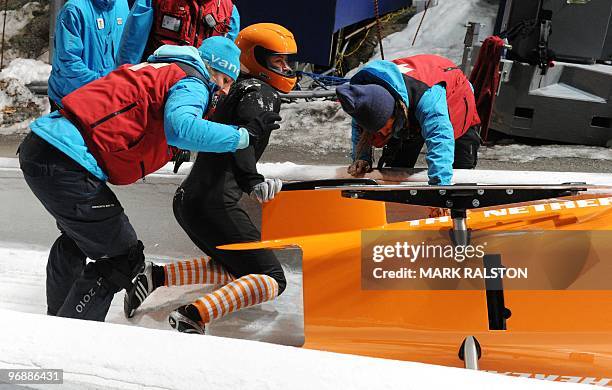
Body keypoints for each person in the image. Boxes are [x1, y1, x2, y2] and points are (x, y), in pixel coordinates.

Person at [18, 36, 281, 322]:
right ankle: (74, 335)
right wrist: (243, 136)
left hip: (45, 146)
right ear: (215, 71)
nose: (225, 91)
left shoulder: (162, 68)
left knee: (78, 238)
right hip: (66, 159)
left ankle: (55, 321)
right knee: (123, 258)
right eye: (227, 81)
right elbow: (181, 127)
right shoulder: (193, 80)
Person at [123, 23, 298, 335]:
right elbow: (244, 137)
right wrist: (251, 179)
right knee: (272, 278)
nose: (285, 68)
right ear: (256, 60)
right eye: (277, 62)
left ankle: (156, 277)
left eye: (286, 61)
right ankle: (194, 314)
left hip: (192, 200)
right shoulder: (260, 93)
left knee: (238, 268)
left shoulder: (234, 90)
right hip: (214, 205)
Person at [336, 54, 481, 185]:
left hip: (454, 98)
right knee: (396, 170)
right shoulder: (365, 98)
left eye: (383, 126)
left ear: (395, 112)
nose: (381, 132)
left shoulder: (429, 101)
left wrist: (439, 190)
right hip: (407, 108)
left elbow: (441, 138)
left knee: (461, 175)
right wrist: (362, 158)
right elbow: (360, 127)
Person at [48, 0, 129, 111]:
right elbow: (68, 62)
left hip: (108, 98)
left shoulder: (122, 4)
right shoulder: (73, 9)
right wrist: (105, 85)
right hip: (71, 101)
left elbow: (129, 50)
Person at [116, 0, 240, 66]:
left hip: (195, 92)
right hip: (153, 84)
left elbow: (224, 64)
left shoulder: (229, 13)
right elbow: (131, 47)